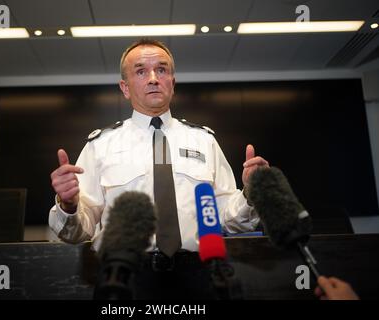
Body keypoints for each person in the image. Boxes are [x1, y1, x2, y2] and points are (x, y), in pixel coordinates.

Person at [49, 38, 269, 257]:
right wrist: (68, 205)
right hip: (125, 278)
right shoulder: (100, 146)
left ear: (172, 84)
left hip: (196, 276)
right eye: (141, 71)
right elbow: (78, 232)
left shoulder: (204, 141)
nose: (153, 79)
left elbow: (228, 220)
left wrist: (251, 193)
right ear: (125, 88)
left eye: (161, 70)